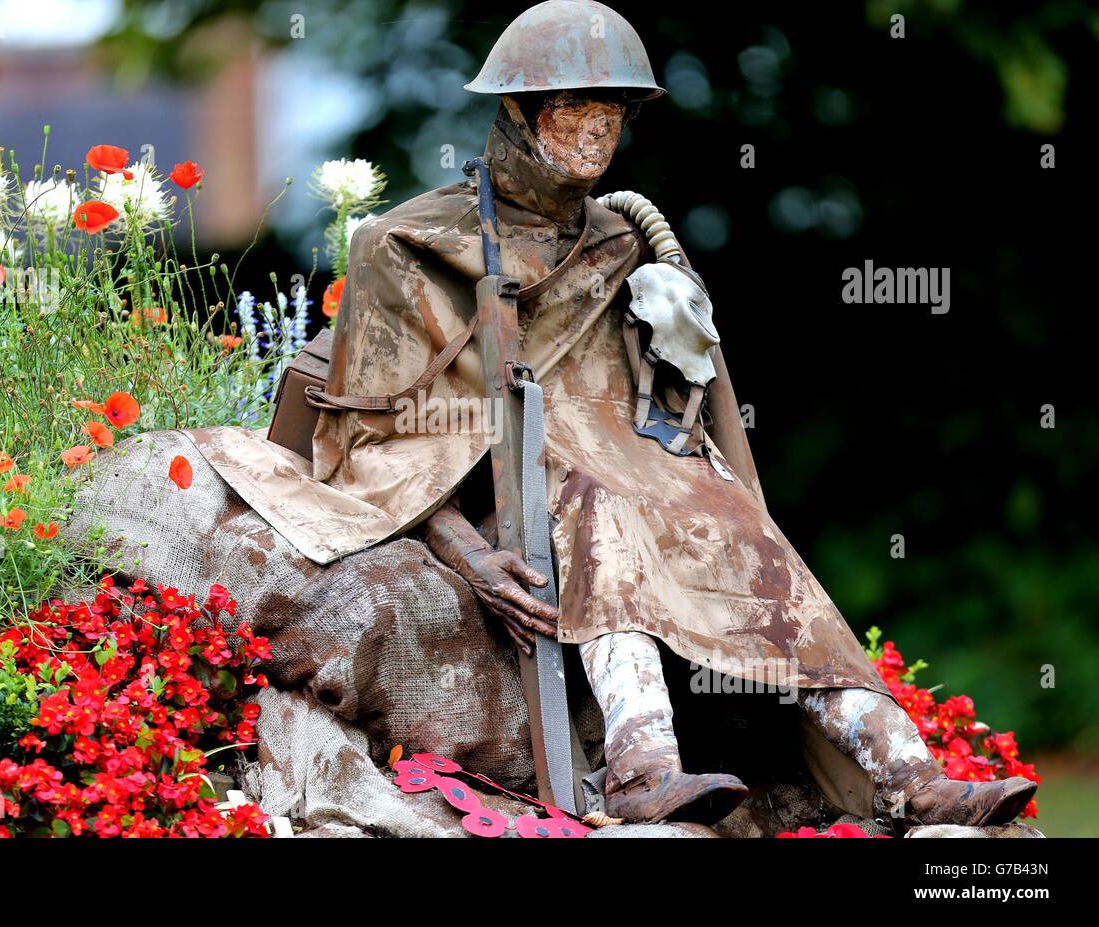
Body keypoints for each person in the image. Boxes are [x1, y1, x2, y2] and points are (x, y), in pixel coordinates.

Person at [190, 0, 1036, 828]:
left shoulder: (624, 241)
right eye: (572, 106)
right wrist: (473, 555)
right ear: (518, 113)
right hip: (501, 488)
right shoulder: (403, 246)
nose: (596, 130)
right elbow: (371, 441)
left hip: (626, 474)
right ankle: (640, 767)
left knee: (736, 516)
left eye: (612, 110)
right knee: (599, 496)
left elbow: (666, 413)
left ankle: (908, 774)